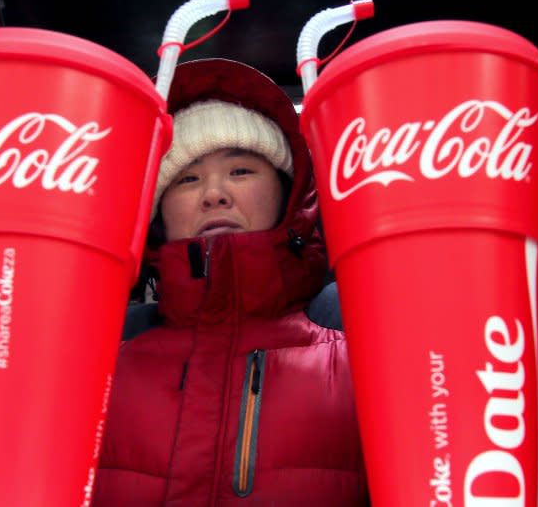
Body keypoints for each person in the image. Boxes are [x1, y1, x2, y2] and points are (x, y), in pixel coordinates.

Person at [93, 58, 368, 506]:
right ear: (158, 212)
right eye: (187, 178)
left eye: (240, 171)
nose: (214, 193)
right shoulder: (102, 357)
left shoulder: (357, 342)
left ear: (288, 193)